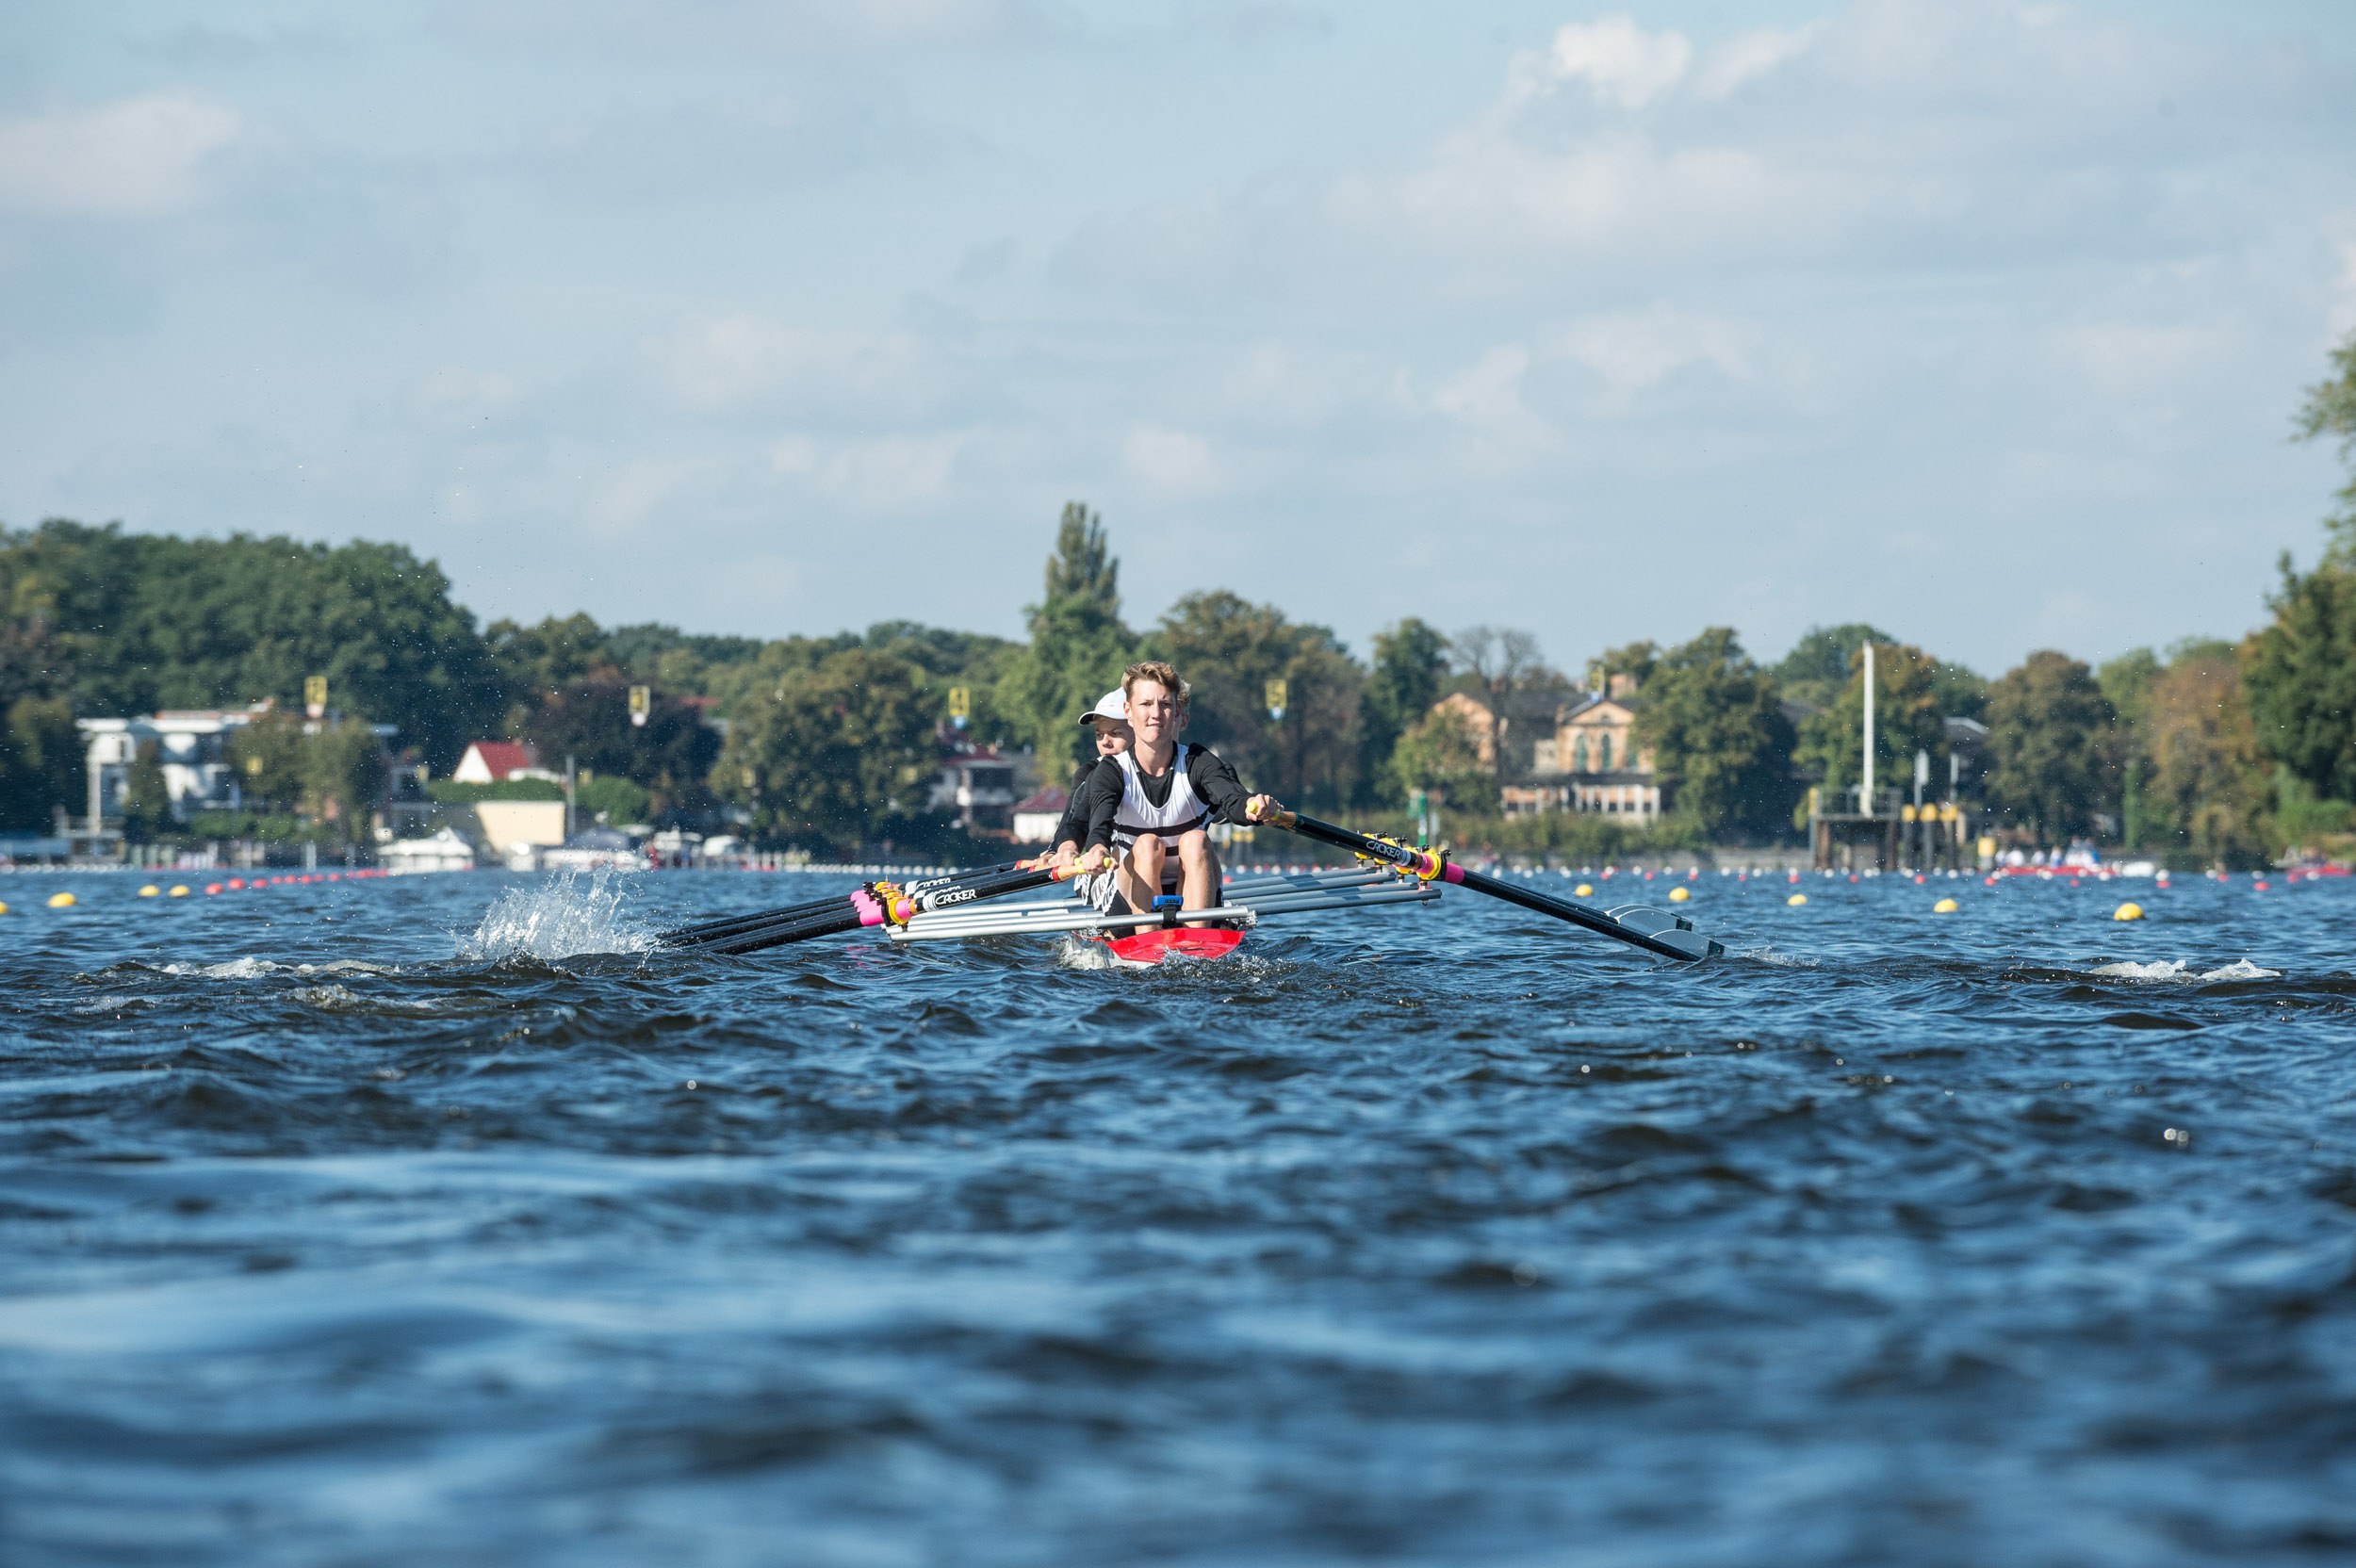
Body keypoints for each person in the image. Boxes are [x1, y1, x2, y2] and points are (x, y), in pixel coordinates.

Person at [1072, 661, 1282, 919]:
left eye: (1165, 704)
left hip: (1194, 884)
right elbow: (1099, 825)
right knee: (1147, 845)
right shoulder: (1111, 771)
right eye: (1146, 704)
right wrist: (1096, 850)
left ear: (1177, 711)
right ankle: (1145, 947)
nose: (1156, 713)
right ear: (1128, 711)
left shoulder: (1198, 762)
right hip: (1130, 893)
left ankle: (1198, 946)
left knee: (1197, 840)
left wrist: (1255, 807)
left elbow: (1234, 800)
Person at [1044, 690, 1132, 874]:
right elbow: (1073, 820)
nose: (1105, 742)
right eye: (1099, 735)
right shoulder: (1088, 772)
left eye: (1115, 733)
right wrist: (1058, 850)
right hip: (1103, 864)